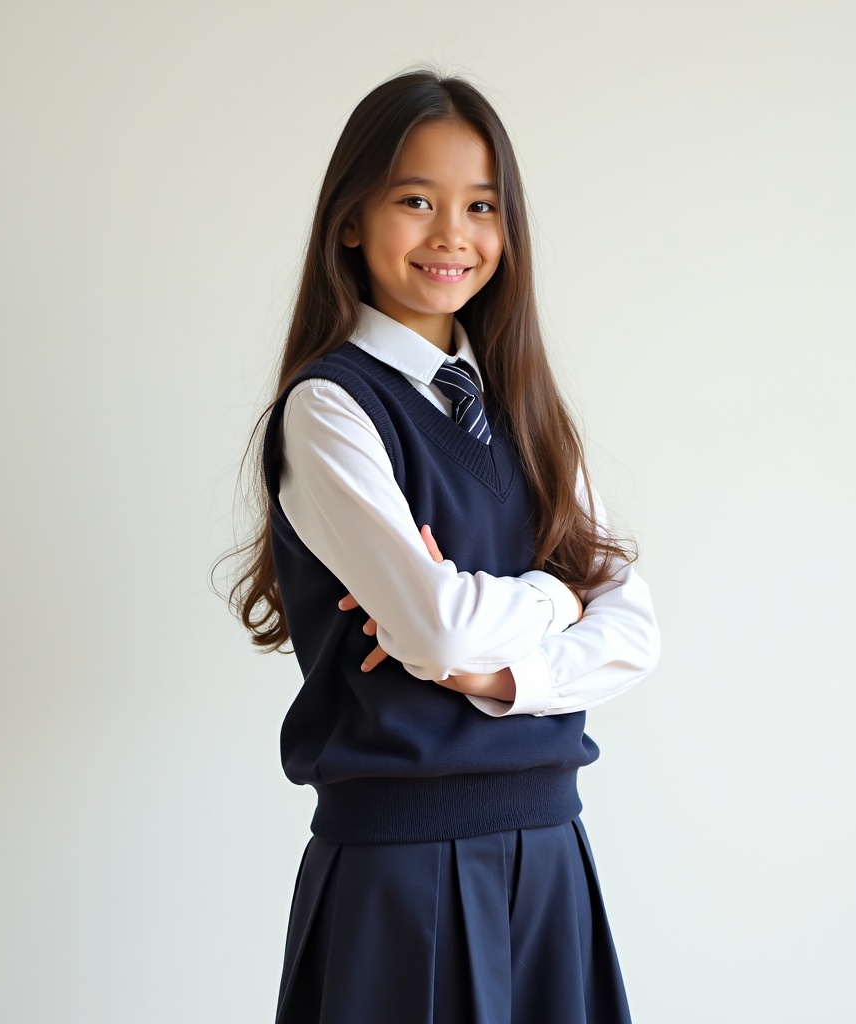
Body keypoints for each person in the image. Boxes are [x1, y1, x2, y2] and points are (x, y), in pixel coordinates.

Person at [226, 69, 660, 1024]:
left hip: (550, 854)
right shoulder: (332, 408)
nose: (451, 234)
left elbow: (636, 634)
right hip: (404, 870)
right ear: (350, 220)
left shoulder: (529, 414)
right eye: (415, 199)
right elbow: (440, 628)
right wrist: (557, 598)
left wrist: (507, 678)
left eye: (480, 206)